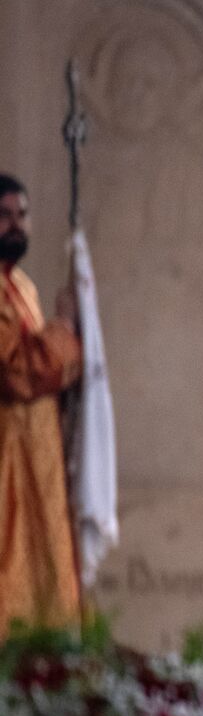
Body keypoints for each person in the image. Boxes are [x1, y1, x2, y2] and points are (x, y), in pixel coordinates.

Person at [0, 174, 83, 635]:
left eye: (23, 215)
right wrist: (64, 329)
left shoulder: (23, 289)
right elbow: (17, 370)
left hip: (36, 467)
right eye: (5, 215)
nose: (16, 225)